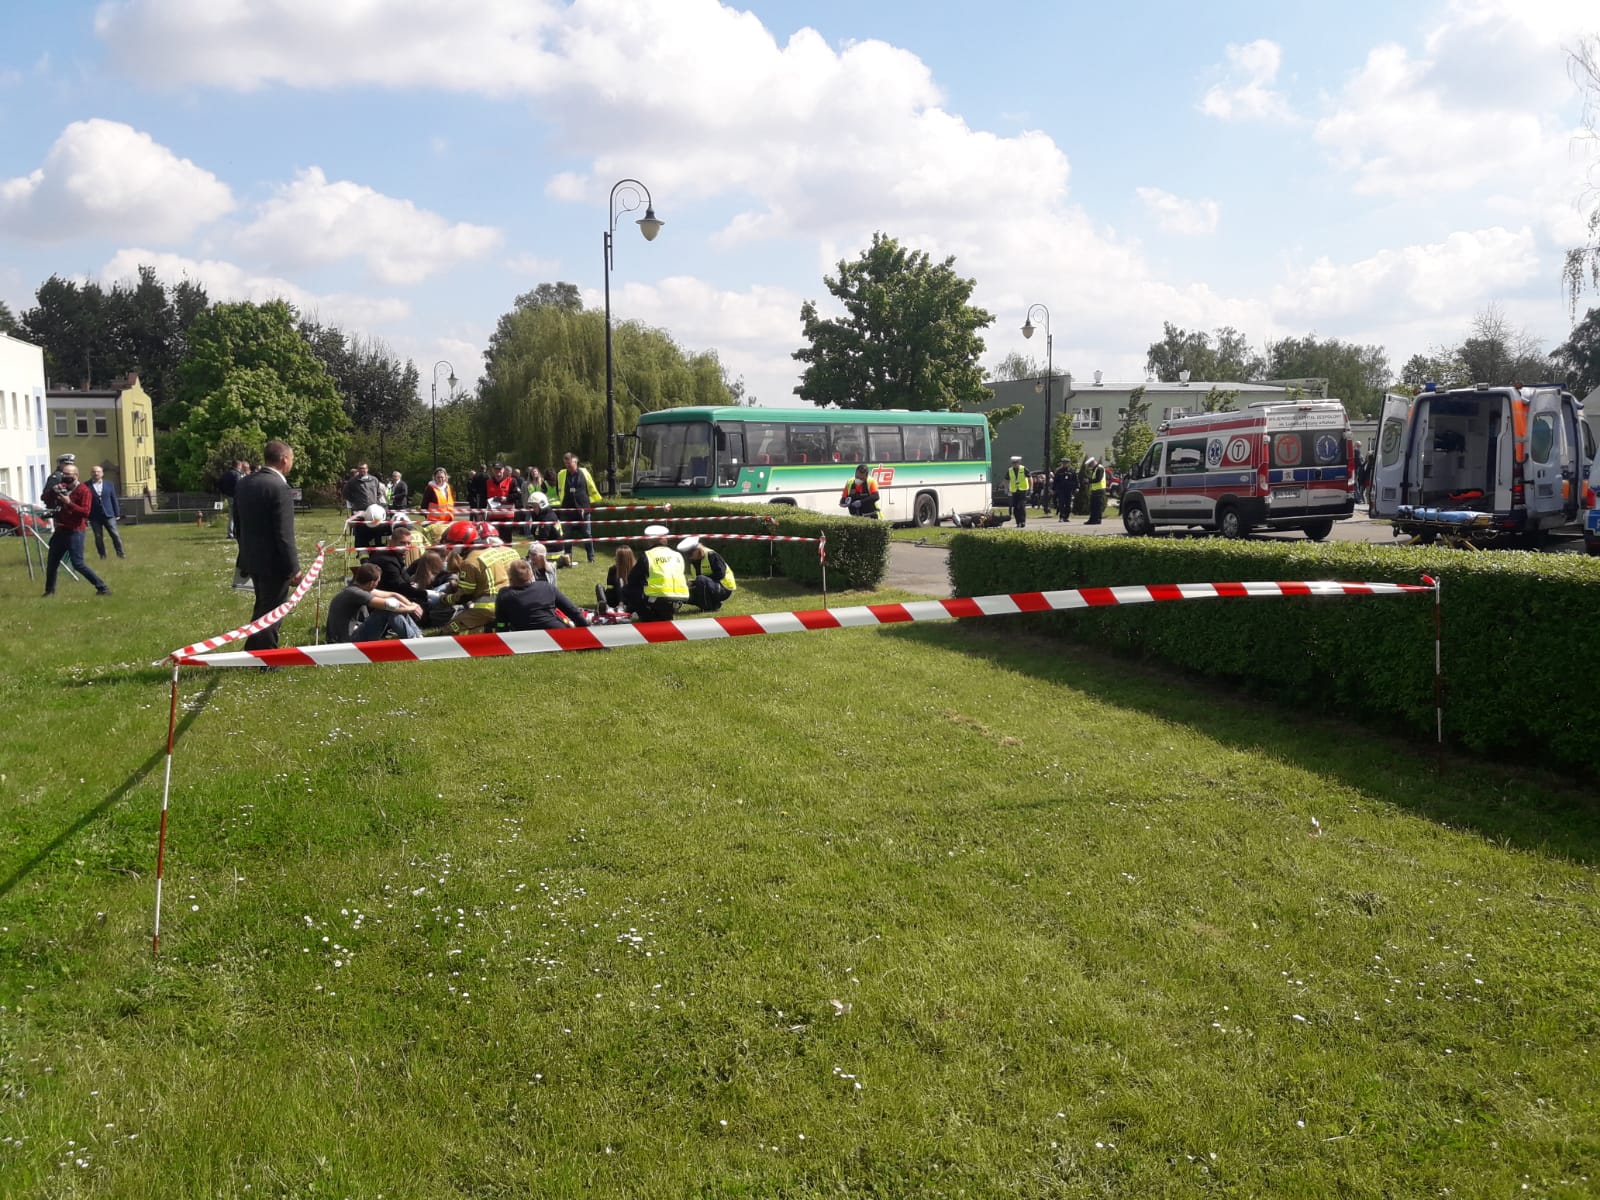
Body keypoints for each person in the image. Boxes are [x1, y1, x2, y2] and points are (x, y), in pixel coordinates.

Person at [235, 440, 302, 652]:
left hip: (251, 558)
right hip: (274, 563)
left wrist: (246, 551)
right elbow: (284, 534)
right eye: (292, 459)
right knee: (273, 612)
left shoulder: (244, 483)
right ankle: (268, 659)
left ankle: (250, 652)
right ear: (284, 459)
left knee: (263, 606)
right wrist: (293, 568)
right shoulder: (280, 488)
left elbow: (238, 525)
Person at [40, 462, 111, 596]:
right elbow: (44, 498)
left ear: (76, 475)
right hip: (60, 530)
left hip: (75, 531)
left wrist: (69, 503)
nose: (65, 477)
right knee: (52, 563)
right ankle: (49, 591)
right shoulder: (61, 487)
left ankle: (102, 587)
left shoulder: (84, 491)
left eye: (68, 474)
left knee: (77, 563)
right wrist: (52, 491)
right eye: (63, 474)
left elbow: (85, 512)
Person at [444, 520, 520, 632]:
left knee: (449, 630)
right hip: (506, 602)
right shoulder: (491, 551)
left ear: (463, 542)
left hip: (487, 608)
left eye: (453, 543)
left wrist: (444, 599)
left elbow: (464, 595)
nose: (451, 547)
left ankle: (487, 629)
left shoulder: (469, 562)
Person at [325, 562, 425, 643]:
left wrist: (410, 605)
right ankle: (413, 641)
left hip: (344, 637)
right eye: (378, 581)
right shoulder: (357, 594)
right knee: (388, 610)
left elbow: (393, 595)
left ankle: (418, 637)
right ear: (372, 583)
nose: (377, 584)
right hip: (346, 641)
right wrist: (413, 608)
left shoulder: (355, 589)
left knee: (396, 607)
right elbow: (390, 606)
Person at [495, 557, 590, 632]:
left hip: (523, 637)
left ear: (510, 577)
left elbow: (501, 623)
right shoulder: (546, 587)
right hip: (557, 632)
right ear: (530, 574)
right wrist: (587, 630)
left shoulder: (504, 595)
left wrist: (502, 637)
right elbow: (572, 611)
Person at [624, 525, 687, 621]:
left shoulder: (648, 555)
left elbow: (632, 578)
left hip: (658, 598)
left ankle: (642, 614)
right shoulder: (677, 555)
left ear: (650, 541)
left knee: (629, 589)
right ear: (665, 540)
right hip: (679, 597)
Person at [556, 450, 602, 563]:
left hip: (583, 510)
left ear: (575, 462)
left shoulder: (584, 473)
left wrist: (586, 506)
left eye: (569, 463)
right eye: (566, 464)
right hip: (567, 510)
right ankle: (568, 558)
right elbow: (559, 490)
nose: (568, 466)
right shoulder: (561, 474)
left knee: (587, 534)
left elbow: (590, 488)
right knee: (567, 535)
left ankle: (591, 558)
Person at [679, 535, 737, 612]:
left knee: (700, 579)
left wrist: (701, 580)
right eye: (687, 555)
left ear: (698, 549)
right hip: (711, 586)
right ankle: (714, 604)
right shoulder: (693, 562)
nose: (689, 557)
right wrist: (692, 583)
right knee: (686, 590)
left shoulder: (711, 555)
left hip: (724, 587)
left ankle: (708, 608)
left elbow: (720, 574)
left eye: (690, 554)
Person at [87, 464, 125, 559]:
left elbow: (113, 499)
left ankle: (120, 554)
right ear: (91, 473)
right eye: (94, 472)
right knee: (98, 537)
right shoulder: (86, 485)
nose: (96, 473)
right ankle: (102, 556)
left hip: (108, 514)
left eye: (98, 472)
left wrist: (117, 513)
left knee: (115, 534)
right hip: (94, 516)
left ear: (102, 473)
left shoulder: (109, 484)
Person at [343, 463, 385, 549]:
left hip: (373, 511)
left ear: (367, 469)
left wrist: (375, 501)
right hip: (359, 511)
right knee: (360, 534)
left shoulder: (374, 480)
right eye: (360, 468)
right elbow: (345, 493)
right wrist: (354, 501)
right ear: (358, 470)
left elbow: (379, 492)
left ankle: (376, 550)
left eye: (364, 468)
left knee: (376, 532)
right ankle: (361, 552)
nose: (362, 470)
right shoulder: (352, 481)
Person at [601, 545, 637, 612]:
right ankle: (603, 605)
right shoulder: (613, 569)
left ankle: (621, 606)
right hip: (614, 599)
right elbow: (610, 588)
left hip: (629, 600)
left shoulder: (636, 570)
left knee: (619, 581)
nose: (615, 558)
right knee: (599, 587)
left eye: (617, 556)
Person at [219, 459, 242, 539]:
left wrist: (225, 492)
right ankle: (233, 532)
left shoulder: (226, 474)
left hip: (229, 496)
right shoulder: (237, 474)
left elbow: (220, 484)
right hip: (236, 496)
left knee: (231, 515)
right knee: (236, 515)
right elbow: (239, 485)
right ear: (238, 465)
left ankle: (231, 532)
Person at [1084, 456, 1108, 525]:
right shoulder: (1095, 469)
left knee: (1097, 506)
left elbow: (1098, 479)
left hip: (1099, 490)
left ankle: (1097, 519)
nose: (1090, 466)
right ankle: (1092, 519)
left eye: (1091, 465)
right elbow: (1094, 479)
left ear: (1094, 462)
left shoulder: (1100, 468)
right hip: (1095, 490)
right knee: (1093, 506)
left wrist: (1089, 481)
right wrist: (1088, 480)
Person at [1008, 456, 1029, 528]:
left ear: (1019, 463)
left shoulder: (1023, 469)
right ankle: (1018, 522)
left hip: (1023, 490)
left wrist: (1031, 488)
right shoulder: (1010, 470)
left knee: (1021, 506)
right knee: (1015, 508)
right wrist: (1007, 489)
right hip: (1014, 491)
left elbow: (1030, 478)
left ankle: (1022, 522)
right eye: (1013, 463)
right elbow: (1006, 479)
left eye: (1016, 463)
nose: (1014, 464)